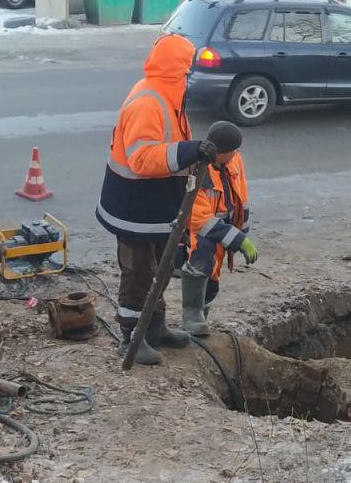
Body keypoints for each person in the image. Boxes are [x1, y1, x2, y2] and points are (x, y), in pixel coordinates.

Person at [96, 34, 217, 366]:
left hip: (155, 207)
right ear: (178, 69)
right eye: (189, 67)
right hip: (132, 208)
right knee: (138, 272)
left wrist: (194, 158)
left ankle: (155, 328)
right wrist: (189, 150)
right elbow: (142, 159)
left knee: (161, 267)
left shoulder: (169, 95)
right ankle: (130, 336)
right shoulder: (149, 101)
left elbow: (171, 146)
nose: (192, 75)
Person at [181, 121, 256, 337]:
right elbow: (198, 219)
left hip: (223, 233)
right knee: (204, 263)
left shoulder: (233, 162)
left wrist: (241, 232)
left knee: (213, 281)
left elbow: (241, 197)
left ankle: (202, 316)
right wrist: (238, 240)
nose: (236, 154)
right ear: (222, 153)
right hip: (199, 235)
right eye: (232, 151)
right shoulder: (199, 171)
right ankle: (192, 315)